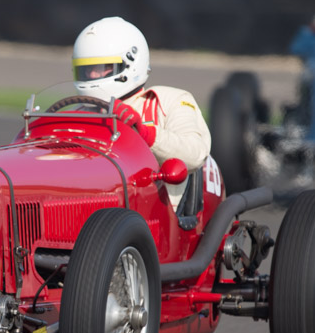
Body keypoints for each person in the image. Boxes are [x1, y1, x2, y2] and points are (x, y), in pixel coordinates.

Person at [71, 16, 211, 207]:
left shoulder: (170, 101)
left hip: (154, 212)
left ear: (130, 63)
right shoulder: (77, 112)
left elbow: (195, 154)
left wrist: (146, 134)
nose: (93, 75)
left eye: (101, 68)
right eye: (87, 70)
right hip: (91, 202)